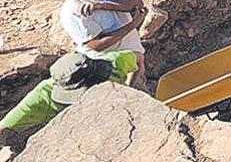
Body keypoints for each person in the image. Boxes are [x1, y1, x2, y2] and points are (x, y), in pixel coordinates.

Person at [0, 51, 138, 144]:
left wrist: (128, 89)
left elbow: (137, 59)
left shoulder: (115, 61)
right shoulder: (42, 97)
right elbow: (4, 127)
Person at [58, 0, 148, 90]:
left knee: (142, 98)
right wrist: (132, 25)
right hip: (106, 69)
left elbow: (137, 3)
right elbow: (97, 45)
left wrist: (101, 5)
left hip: (132, 59)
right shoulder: (72, 11)